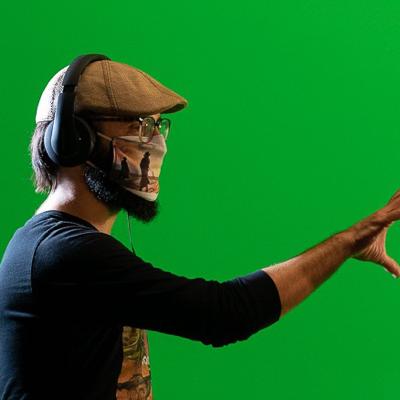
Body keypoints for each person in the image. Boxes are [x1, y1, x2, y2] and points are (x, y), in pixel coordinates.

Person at [1, 55, 400, 400]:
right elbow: (225, 314)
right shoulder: (66, 253)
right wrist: (349, 240)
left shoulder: (53, 244)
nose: (156, 143)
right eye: (139, 126)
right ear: (74, 140)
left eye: (158, 126)